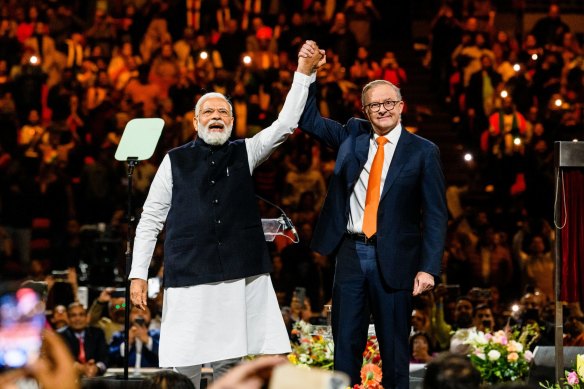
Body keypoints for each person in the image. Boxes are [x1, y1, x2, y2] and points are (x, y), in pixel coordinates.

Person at [129, 42, 324, 389]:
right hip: (187, 275)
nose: (216, 116)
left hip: (237, 275)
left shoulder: (245, 152)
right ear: (195, 121)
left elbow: (285, 124)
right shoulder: (173, 161)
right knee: (181, 366)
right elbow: (150, 219)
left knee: (228, 367)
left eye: (223, 112)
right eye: (208, 112)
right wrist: (138, 274)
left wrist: (303, 76)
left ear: (233, 121)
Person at [297, 42, 448, 388]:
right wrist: (311, 73)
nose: (382, 110)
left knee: (395, 351)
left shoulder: (424, 152)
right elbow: (307, 120)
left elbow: (437, 214)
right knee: (345, 347)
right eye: (374, 105)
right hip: (350, 254)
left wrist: (428, 266)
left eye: (389, 103)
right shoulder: (352, 133)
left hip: (396, 259)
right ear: (365, 111)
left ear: (401, 106)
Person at [58, 302, 108, 378]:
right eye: (73, 315)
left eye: (81, 315)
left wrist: (96, 368)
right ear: (67, 318)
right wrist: (76, 367)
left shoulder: (98, 333)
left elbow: (104, 358)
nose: (77, 318)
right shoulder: (59, 336)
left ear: (87, 317)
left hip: (94, 380)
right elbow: (58, 360)